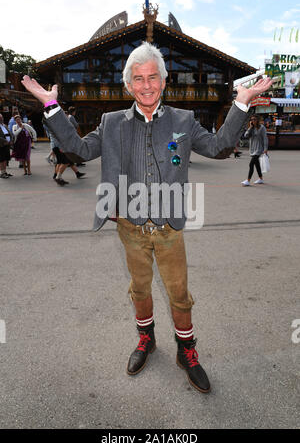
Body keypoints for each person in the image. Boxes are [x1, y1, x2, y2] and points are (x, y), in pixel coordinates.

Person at [22, 42, 273, 394]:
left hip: (169, 227)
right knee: (139, 288)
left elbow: (218, 147)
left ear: (163, 81)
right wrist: (50, 105)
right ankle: (147, 340)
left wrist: (242, 102)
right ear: (128, 86)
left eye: (152, 77)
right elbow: (79, 149)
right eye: (138, 79)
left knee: (179, 294)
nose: (146, 85)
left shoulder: (183, 121)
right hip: (130, 226)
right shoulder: (111, 124)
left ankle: (187, 352)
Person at [241, 115, 269, 186]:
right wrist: (250, 127)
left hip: (259, 149)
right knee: (257, 164)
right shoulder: (252, 128)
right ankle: (261, 178)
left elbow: (265, 138)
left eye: (254, 119)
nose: (253, 121)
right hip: (253, 148)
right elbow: (246, 135)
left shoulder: (262, 128)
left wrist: (265, 149)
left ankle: (248, 180)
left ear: (257, 120)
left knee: (251, 164)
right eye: (252, 119)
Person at [0, 114, 13, 178]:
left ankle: (5, 172)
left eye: (2, 117)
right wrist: (5, 141)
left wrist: (11, 140)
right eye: (0, 118)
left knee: (5, 159)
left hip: (7, 145)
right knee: (2, 159)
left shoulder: (4, 125)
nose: (1, 118)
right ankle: (2, 173)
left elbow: (9, 133)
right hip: (1, 145)